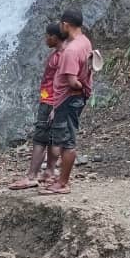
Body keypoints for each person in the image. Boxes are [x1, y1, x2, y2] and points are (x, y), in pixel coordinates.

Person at [40, 10, 94, 196]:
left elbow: (72, 81)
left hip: (68, 99)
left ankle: (62, 183)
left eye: (61, 24)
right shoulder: (85, 42)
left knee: (67, 141)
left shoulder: (71, 50)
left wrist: (81, 86)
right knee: (65, 139)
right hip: (71, 99)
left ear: (65, 25)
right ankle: (60, 178)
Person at [9, 23, 66, 190]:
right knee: (50, 138)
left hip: (51, 102)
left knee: (40, 139)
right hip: (50, 100)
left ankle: (31, 176)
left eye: (47, 36)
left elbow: (63, 83)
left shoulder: (60, 57)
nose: (45, 39)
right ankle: (49, 172)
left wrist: (56, 106)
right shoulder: (60, 54)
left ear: (55, 37)